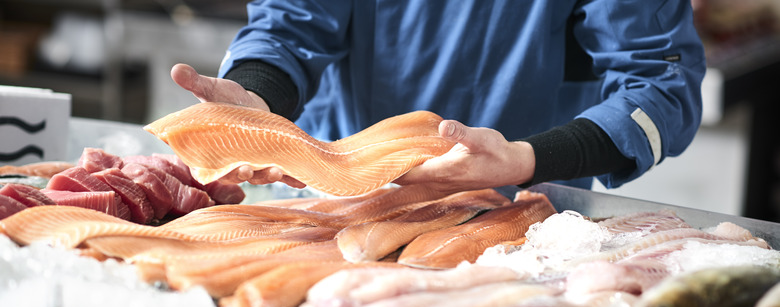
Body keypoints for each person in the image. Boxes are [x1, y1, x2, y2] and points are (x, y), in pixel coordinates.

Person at [171, 1, 706, 197]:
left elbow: (660, 84)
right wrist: (258, 99)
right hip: (339, 206)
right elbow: (289, 28)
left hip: (524, 224)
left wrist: (527, 160)